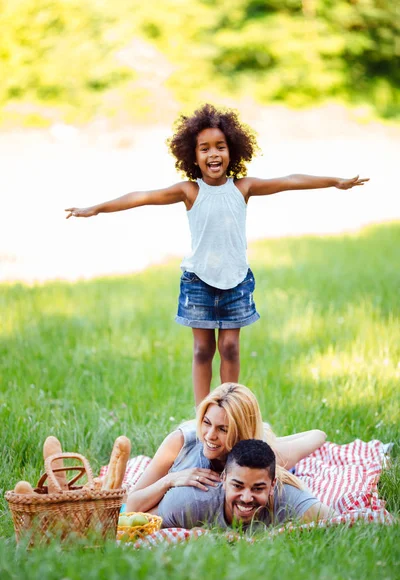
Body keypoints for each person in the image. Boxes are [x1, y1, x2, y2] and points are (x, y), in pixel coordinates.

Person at [65, 104, 369, 405]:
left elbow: (290, 181)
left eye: (220, 147)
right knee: (201, 350)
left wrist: (334, 181)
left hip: (236, 282)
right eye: (205, 148)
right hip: (198, 282)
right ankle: (204, 414)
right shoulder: (189, 191)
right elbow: (142, 197)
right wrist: (98, 208)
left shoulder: (243, 187)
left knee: (231, 347)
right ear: (193, 156)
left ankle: (229, 409)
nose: (213, 154)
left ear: (232, 151)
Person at [126, 383, 326, 513]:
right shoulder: (180, 442)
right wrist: (170, 480)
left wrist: (269, 442)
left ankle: (265, 432)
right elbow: (131, 505)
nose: (210, 435)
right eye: (206, 422)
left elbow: (318, 435)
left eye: (222, 429)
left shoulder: (260, 456)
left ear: (240, 432)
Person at [157, 439, 335, 530]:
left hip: (279, 454)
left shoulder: (287, 497)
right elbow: (140, 522)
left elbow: (337, 523)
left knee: (317, 436)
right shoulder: (189, 502)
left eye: (258, 488)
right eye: (238, 486)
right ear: (224, 479)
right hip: (190, 445)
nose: (247, 498)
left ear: (272, 485)